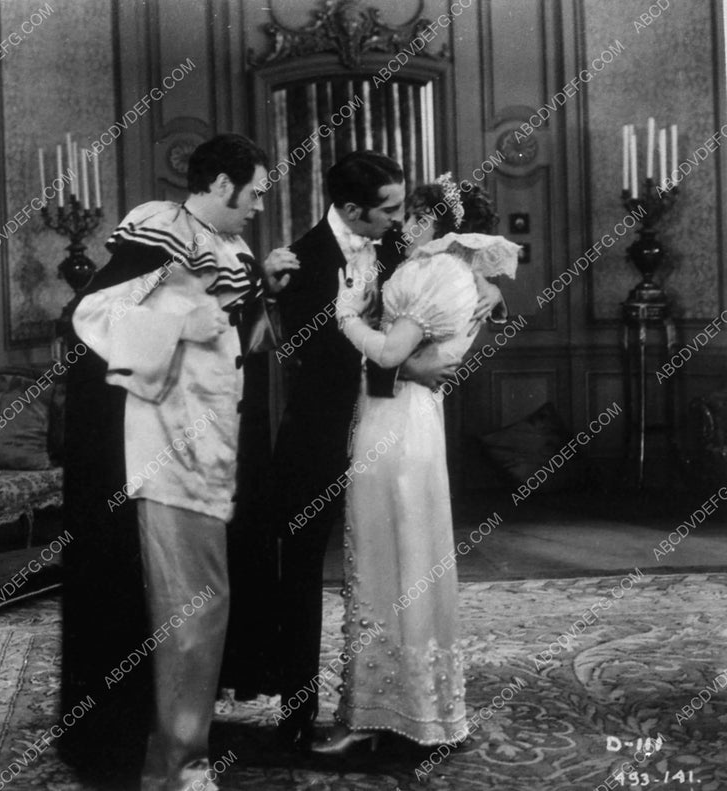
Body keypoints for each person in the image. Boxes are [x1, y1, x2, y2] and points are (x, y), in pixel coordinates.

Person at [64, 133, 297, 791]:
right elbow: (90, 314)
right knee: (190, 608)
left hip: (216, 443)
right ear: (221, 185)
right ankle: (174, 765)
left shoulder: (228, 246)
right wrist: (179, 324)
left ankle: (180, 747)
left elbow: (237, 340)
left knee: (205, 603)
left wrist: (263, 292)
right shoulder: (161, 230)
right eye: (254, 193)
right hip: (167, 446)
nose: (258, 205)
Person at [271, 153, 503, 749]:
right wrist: (400, 366)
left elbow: (450, 267)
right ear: (355, 211)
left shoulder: (401, 240)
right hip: (320, 434)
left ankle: (398, 708)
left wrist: (488, 289)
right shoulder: (301, 259)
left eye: (405, 208)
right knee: (301, 568)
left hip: (389, 428)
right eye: (391, 209)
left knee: (399, 558)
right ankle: (297, 714)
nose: (401, 220)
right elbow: (313, 355)